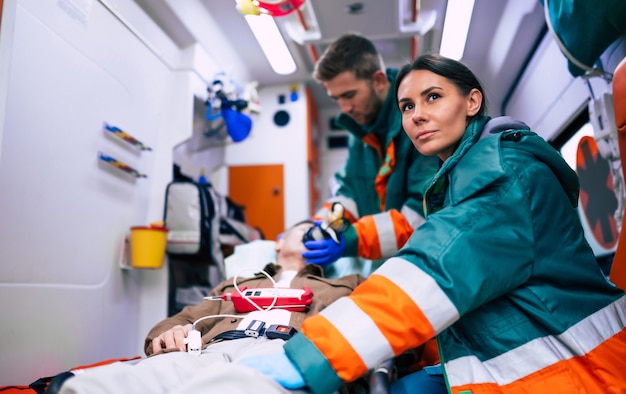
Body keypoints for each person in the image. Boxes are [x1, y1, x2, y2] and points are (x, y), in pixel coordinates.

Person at [236, 54, 626, 394]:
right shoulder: (460, 172)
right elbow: (354, 196)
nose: (417, 114)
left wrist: (313, 356)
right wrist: (333, 223)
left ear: (473, 101)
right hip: (519, 341)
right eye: (406, 106)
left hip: (574, 365)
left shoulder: (506, 175)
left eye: (433, 97)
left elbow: (437, 265)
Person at [58, 220, 366, 394]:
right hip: (212, 349)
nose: (317, 232)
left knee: (234, 388)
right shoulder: (237, 284)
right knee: (110, 384)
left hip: (288, 352)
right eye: (306, 228)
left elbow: (376, 333)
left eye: (323, 231)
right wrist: (169, 334)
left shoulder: (349, 283)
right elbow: (187, 317)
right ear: (278, 242)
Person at [302, 33, 439, 269]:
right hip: (387, 260)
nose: (344, 109)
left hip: (425, 262)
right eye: (336, 99)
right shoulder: (362, 131)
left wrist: (351, 240)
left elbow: (421, 214)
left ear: (378, 81)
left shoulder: (419, 121)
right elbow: (349, 193)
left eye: (349, 95)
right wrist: (321, 226)